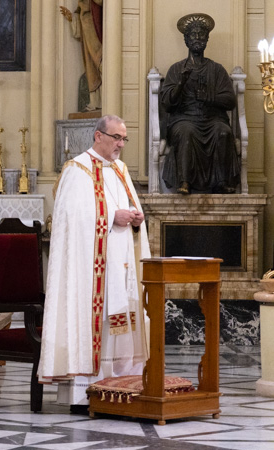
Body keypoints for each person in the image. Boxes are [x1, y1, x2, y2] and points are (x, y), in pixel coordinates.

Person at [38, 115, 150, 412]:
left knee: (123, 319)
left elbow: (130, 208)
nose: (121, 144)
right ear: (98, 136)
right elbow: (70, 220)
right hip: (91, 270)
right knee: (97, 322)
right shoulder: (77, 170)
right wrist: (113, 217)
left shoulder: (121, 169)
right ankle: (87, 390)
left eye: (124, 139)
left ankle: (125, 385)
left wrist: (137, 220)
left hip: (121, 262)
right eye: (116, 138)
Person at [159, 13, 240, 195]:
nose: (197, 38)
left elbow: (230, 101)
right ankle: (184, 181)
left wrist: (210, 98)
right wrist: (181, 83)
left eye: (201, 35)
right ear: (186, 40)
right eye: (193, 35)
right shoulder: (177, 69)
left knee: (223, 131)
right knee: (187, 131)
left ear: (207, 39)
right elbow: (167, 103)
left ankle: (222, 181)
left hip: (212, 120)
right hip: (184, 119)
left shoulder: (216, 69)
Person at [60, 0, 103, 111]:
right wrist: (72, 18)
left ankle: (104, 99)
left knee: (100, 64)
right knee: (91, 70)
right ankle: (95, 101)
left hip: (97, 35)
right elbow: (80, 15)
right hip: (87, 35)